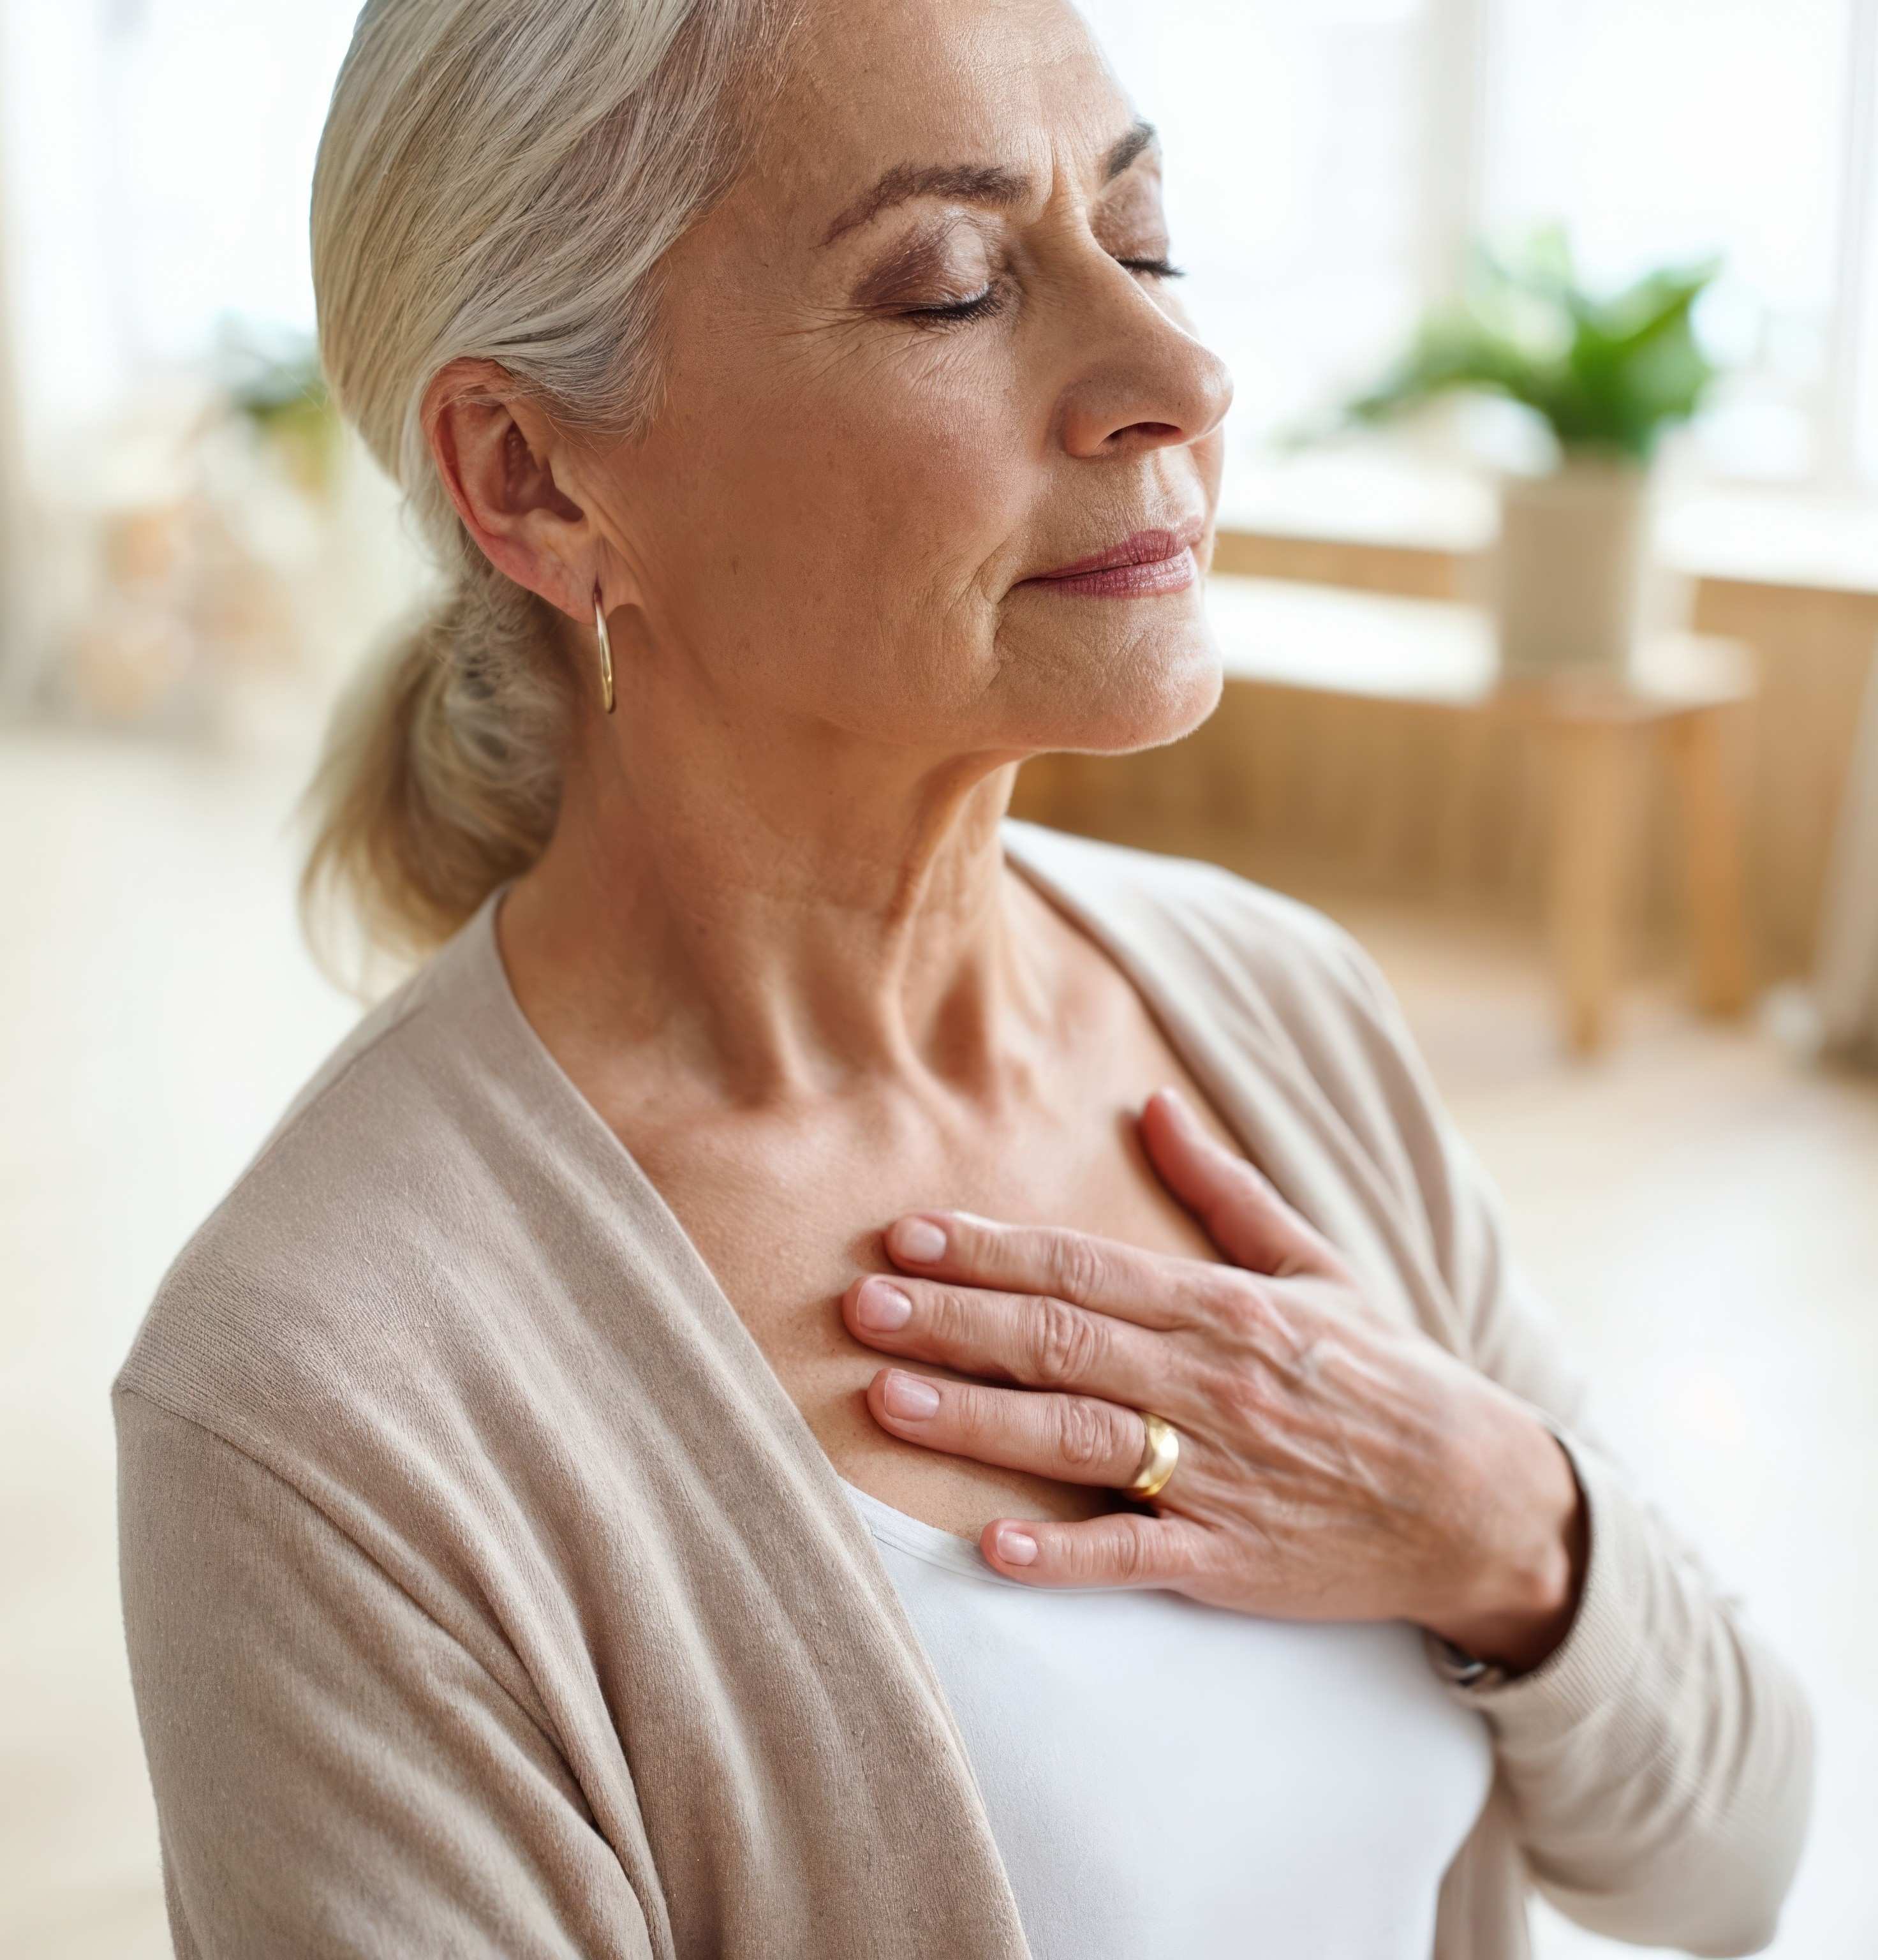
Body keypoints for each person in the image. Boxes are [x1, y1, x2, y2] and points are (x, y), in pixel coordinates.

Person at [111, 1, 1813, 1955]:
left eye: (1147, 241)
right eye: (951, 287)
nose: (1180, 373)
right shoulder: (318, 1418)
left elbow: (1731, 1857)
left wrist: (1499, 1523)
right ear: (536, 481)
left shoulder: (1278, 1005)